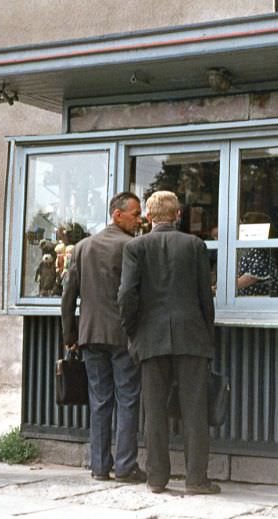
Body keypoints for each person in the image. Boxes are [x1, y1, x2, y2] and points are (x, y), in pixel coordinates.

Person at [118, 190, 220, 495]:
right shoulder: (194, 245)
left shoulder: (135, 247)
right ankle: (196, 479)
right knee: (194, 411)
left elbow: (126, 295)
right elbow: (205, 296)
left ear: (148, 217)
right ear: (178, 215)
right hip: (192, 336)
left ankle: (157, 478)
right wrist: (207, 333)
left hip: (150, 337)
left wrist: (132, 332)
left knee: (154, 412)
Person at [60, 192, 146, 483]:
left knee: (99, 401)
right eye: (135, 213)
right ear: (117, 214)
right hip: (123, 336)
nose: (140, 219)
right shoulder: (132, 247)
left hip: (90, 335)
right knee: (127, 400)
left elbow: (68, 295)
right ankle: (124, 466)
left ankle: (99, 466)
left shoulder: (83, 247)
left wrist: (70, 334)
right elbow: (136, 294)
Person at [236, 212, 278, 296]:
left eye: (242, 226)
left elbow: (251, 277)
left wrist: (224, 288)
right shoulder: (252, 250)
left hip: (261, 304)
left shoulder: (259, 250)